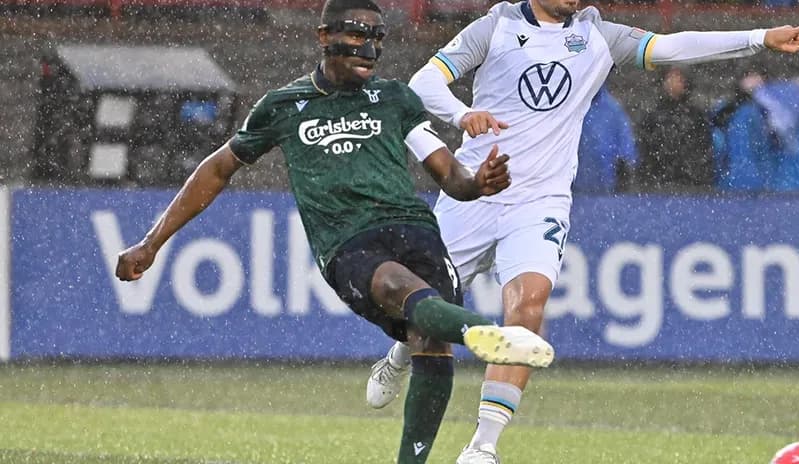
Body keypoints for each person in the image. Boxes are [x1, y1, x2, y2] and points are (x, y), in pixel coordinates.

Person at [366, 1, 799, 462]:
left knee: (528, 307)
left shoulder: (599, 35)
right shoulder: (496, 26)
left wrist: (759, 36)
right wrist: (462, 115)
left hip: (540, 201)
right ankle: (399, 356)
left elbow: (673, 46)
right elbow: (422, 83)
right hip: (473, 191)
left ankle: (483, 446)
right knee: (426, 308)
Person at [113, 1, 555, 463]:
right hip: (347, 239)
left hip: (415, 228)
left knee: (430, 338)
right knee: (394, 287)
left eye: (379, 38)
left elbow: (449, 173)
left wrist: (478, 184)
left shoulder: (396, 98)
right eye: (358, 34)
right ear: (324, 36)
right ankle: (487, 332)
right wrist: (151, 242)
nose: (369, 48)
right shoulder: (282, 106)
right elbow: (218, 169)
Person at [637, 67, 714, 190]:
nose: (674, 81)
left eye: (678, 77)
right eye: (670, 77)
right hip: (659, 184)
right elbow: (645, 151)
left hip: (691, 185)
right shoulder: (653, 117)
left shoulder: (696, 116)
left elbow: (704, 151)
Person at [712, 68, 775, 192]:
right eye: (750, 76)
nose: (754, 82)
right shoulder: (729, 109)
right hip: (738, 179)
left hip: (743, 180)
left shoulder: (765, 111)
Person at [573, 84, 638, 193]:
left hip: (607, 188)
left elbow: (627, 150)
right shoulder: (573, 107)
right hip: (576, 189)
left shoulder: (613, 110)